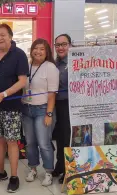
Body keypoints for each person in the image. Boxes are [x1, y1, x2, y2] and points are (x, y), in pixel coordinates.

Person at [0, 23, 29, 193]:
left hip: (11, 106)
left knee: (11, 141)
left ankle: (14, 176)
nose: (0, 38)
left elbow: (22, 81)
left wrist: (4, 94)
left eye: (3, 35)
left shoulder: (19, 55)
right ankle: (0, 172)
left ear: (10, 36)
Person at [22, 39, 59, 186]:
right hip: (26, 109)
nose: (38, 51)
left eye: (42, 49)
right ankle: (33, 168)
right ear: (31, 50)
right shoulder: (27, 66)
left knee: (44, 143)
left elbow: (52, 93)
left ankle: (48, 171)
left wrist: (49, 114)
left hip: (42, 109)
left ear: (47, 52)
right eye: (35, 48)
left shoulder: (50, 67)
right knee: (30, 142)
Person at [52, 34, 72, 184]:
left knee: (66, 137)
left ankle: (67, 169)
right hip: (55, 104)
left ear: (70, 45)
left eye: (63, 44)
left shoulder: (73, 63)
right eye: (57, 45)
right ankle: (59, 165)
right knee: (58, 136)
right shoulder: (54, 63)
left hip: (68, 105)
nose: (60, 47)